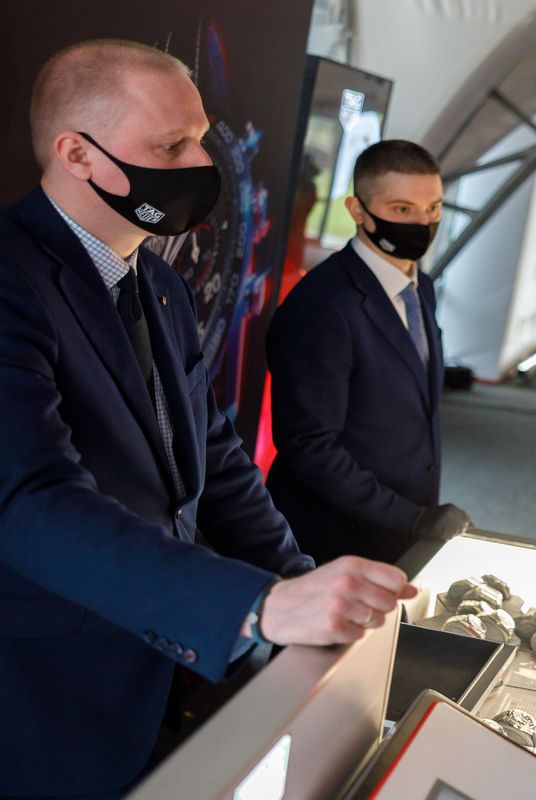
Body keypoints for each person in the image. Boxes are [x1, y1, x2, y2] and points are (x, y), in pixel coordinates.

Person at [0, 40, 421, 799]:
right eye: (171, 146)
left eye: (200, 137)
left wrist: (299, 583)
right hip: (41, 694)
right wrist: (254, 607)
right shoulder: (9, 279)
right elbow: (29, 502)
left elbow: (214, 455)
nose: (202, 163)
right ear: (77, 154)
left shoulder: (158, 282)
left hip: (155, 674)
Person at [266, 140, 469, 566]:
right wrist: (410, 518)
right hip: (330, 544)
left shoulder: (421, 287)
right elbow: (309, 446)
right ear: (357, 211)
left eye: (433, 208)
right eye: (402, 209)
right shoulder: (322, 305)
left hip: (400, 535)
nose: (422, 223)